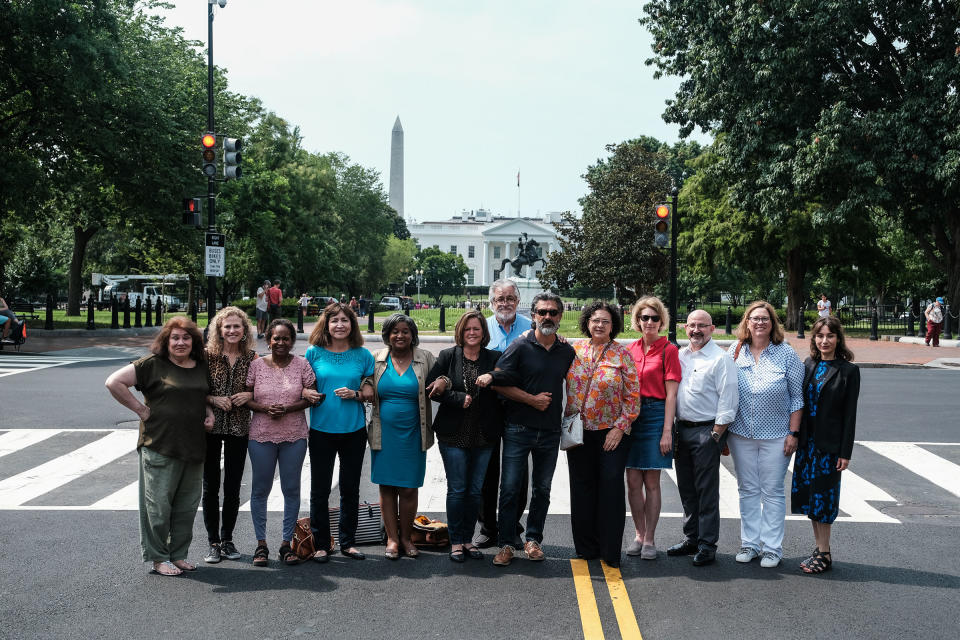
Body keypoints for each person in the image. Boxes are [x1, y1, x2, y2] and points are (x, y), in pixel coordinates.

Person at [105, 316, 214, 577]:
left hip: (194, 445)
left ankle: (178, 555)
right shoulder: (152, 365)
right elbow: (114, 382)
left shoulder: (200, 365)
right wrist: (141, 410)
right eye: (175, 338)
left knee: (187, 506)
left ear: (194, 341)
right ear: (166, 341)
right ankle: (158, 557)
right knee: (158, 506)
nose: (180, 342)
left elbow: (199, 393)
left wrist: (209, 412)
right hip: (159, 444)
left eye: (186, 338)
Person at [483, 292, 576, 566]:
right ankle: (506, 543)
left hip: (549, 431)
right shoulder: (519, 347)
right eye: (542, 312)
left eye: (553, 312)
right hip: (518, 428)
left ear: (560, 317)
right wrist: (531, 400)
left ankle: (533, 539)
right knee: (510, 489)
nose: (547, 317)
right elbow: (497, 382)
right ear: (533, 316)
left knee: (543, 490)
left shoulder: (566, 351)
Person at [727, 301, 804, 568]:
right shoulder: (735, 351)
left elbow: (797, 398)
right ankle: (750, 544)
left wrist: (794, 433)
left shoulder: (786, 354)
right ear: (746, 322)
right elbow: (725, 392)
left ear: (773, 323)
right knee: (747, 489)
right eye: (755, 318)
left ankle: (772, 548)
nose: (760, 323)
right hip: (740, 434)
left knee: (771, 491)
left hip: (777, 435)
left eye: (765, 319)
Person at [564, 301, 640, 567]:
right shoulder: (573, 350)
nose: (599, 325)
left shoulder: (622, 354)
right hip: (578, 432)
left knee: (610, 489)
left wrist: (620, 427)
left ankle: (610, 551)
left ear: (613, 326)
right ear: (587, 323)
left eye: (605, 321)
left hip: (611, 433)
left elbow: (632, 397)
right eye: (595, 320)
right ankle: (586, 548)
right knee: (581, 489)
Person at [425, 310, 503, 562]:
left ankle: (469, 540)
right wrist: (458, 398)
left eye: (477, 329)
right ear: (461, 331)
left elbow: (508, 377)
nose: (472, 333)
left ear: (483, 333)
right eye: (468, 328)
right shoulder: (448, 356)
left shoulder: (494, 357)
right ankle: (456, 541)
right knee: (458, 489)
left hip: (484, 434)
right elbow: (431, 388)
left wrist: (494, 375)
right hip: (453, 434)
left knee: (475, 490)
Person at [303, 302, 375, 562]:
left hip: (353, 430)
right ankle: (322, 543)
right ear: (327, 324)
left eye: (345, 320)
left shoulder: (363, 355)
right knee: (320, 489)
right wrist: (305, 392)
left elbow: (371, 390)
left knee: (350, 488)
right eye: (335, 321)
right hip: (321, 430)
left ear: (352, 324)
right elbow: (303, 385)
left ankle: (347, 542)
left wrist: (356, 394)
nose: (340, 325)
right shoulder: (313, 353)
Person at [667, 310, 738, 567]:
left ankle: (708, 545)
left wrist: (716, 435)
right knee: (686, 488)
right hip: (681, 429)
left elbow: (729, 402)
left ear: (712, 328)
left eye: (702, 326)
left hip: (707, 430)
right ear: (685, 327)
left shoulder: (721, 359)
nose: (696, 330)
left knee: (706, 490)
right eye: (692, 325)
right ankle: (692, 538)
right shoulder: (680, 356)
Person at [366, 314, 438, 559]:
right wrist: (364, 386)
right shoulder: (376, 359)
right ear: (387, 335)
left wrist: (444, 382)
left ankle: (407, 538)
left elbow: (443, 376)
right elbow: (364, 381)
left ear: (412, 334)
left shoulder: (425, 358)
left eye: (405, 331)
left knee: (408, 488)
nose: (400, 335)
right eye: (394, 331)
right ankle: (392, 539)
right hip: (383, 433)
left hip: (414, 433)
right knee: (386, 487)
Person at [791, 316, 860, 574]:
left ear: (838, 339)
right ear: (814, 339)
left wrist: (845, 452)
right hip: (807, 445)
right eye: (820, 336)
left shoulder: (849, 371)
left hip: (829, 447)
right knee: (811, 499)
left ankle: (825, 552)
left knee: (824, 500)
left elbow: (849, 415)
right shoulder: (809, 365)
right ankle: (819, 548)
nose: (824, 341)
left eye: (830, 336)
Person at [245, 318, 315, 567]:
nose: (281, 342)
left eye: (286, 338)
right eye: (276, 338)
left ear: (292, 341)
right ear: (268, 340)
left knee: (291, 489)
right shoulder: (256, 365)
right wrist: (264, 408)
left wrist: (287, 408)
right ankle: (260, 544)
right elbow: (247, 396)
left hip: (294, 435)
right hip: (261, 434)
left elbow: (311, 396)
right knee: (260, 489)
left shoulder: (303, 365)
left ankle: (287, 543)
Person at [474, 278, 533, 549]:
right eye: (500, 299)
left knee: (517, 473)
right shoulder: (481, 328)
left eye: (510, 298)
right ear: (492, 302)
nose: (505, 303)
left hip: (519, 408)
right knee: (487, 469)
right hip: (486, 407)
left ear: (518, 302)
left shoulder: (530, 328)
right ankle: (487, 527)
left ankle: (513, 526)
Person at [625, 296, 681, 560]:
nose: (649, 322)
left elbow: (671, 395)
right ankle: (638, 533)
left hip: (656, 414)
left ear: (661, 321)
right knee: (633, 481)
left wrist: (666, 431)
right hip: (631, 416)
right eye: (644, 317)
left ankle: (650, 538)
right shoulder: (630, 350)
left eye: (654, 318)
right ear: (637, 320)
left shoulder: (668, 350)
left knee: (652, 481)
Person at [202, 306, 257, 564]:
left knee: (233, 486)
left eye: (237, 326)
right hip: (210, 426)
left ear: (244, 330)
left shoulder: (254, 359)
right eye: (227, 327)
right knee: (210, 485)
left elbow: (266, 390)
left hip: (239, 426)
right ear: (219, 330)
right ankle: (213, 541)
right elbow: (193, 390)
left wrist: (251, 395)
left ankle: (228, 539)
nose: (232, 331)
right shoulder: (206, 357)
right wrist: (213, 398)